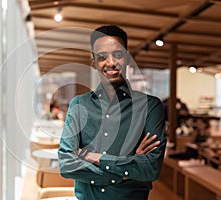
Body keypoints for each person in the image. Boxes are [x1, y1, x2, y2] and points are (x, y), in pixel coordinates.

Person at [58, 25, 167, 200]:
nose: (111, 62)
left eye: (118, 54)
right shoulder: (78, 105)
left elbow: (150, 169)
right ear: (93, 62)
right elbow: (66, 164)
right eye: (102, 57)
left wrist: (91, 156)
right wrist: (125, 171)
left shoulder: (150, 107)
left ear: (128, 59)